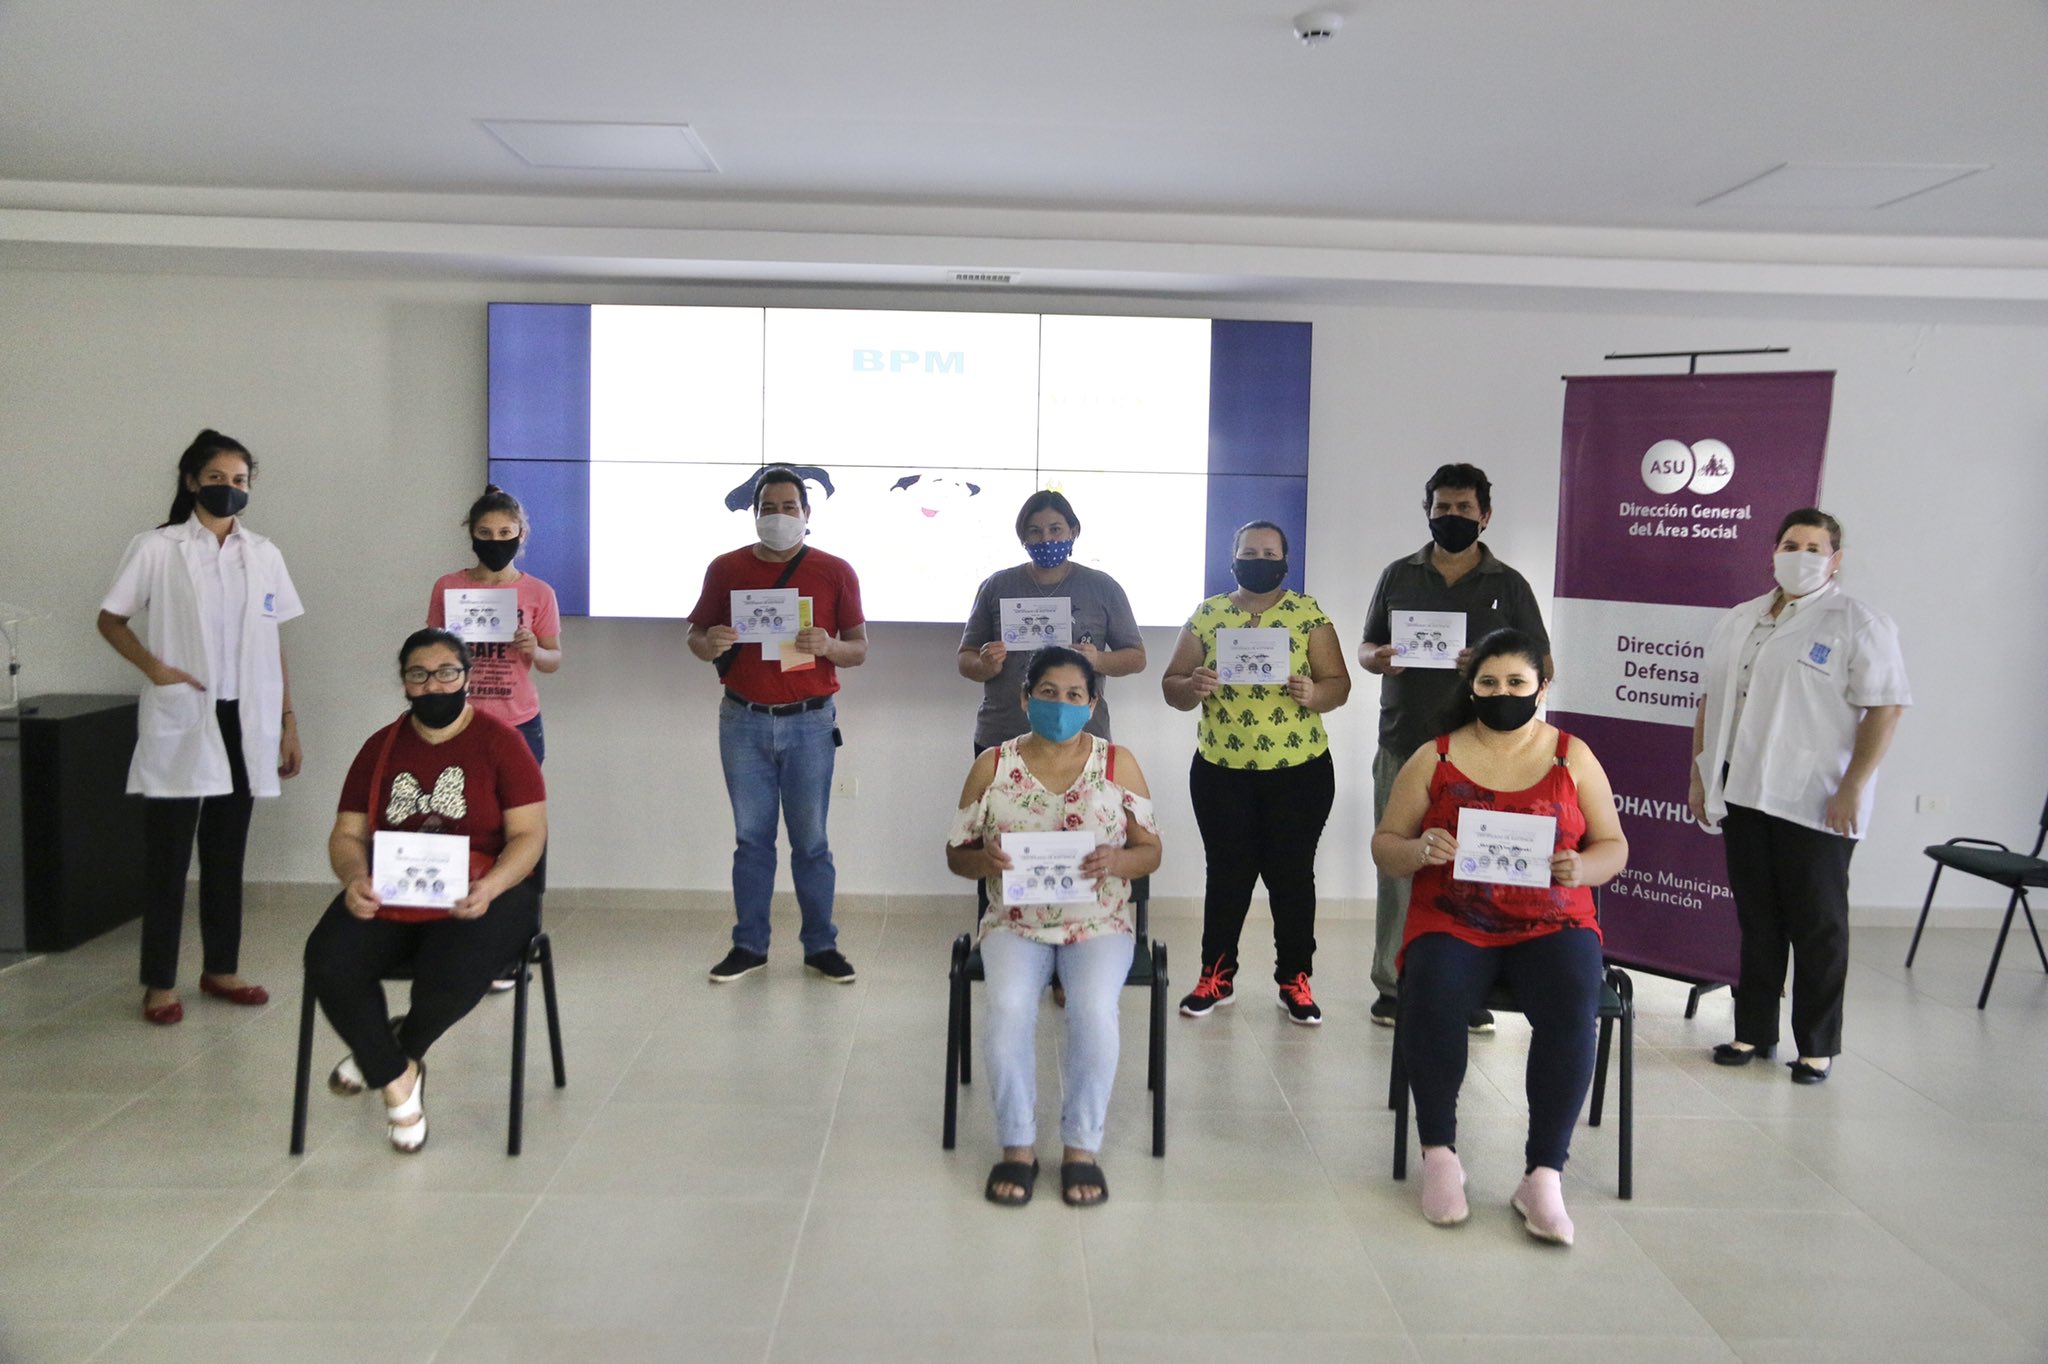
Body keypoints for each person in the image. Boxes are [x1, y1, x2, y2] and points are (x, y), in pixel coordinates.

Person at [1371, 628, 1627, 1244]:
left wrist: (1583, 867)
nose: (1502, 693)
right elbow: (1385, 845)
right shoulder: (1435, 756)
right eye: (1488, 683)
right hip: (1453, 919)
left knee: (1573, 997)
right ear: (1471, 687)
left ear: (1542, 686)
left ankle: (1543, 1174)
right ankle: (1440, 1155)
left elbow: (1613, 846)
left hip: (1553, 920)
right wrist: (1419, 849)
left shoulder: (1572, 756)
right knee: (1430, 989)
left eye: (1516, 682)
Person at [304, 629, 546, 1153]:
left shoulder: (502, 742)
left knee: (454, 968)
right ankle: (398, 1077)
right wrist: (354, 878)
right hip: (392, 892)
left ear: (467, 677)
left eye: (446, 673)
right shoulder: (381, 747)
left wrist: (492, 886)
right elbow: (347, 835)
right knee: (329, 957)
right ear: (404, 683)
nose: (433, 685)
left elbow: (529, 836)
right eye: (419, 675)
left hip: (485, 891)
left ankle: (395, 1049)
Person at [1690, 508, 1909, 1085]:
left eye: (1815, 548)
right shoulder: (1741, 618)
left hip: (1815, 799)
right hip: (1741, 791)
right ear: (1774, 552)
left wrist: (1852, 786)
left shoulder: (1859, 622)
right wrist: (1700, 775)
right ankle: (1752, 1031)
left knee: (1818, 926)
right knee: (1758, 919)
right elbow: (1711, 701)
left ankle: (1816, 1045)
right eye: (1792, 545)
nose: (1802, 556)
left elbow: (1886, 707)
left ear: (1836, 560)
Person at [97, 429, 304, 1025]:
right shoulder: (157, 547)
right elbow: (110, 620)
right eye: (217, 478)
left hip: (247, 718)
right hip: (185, 712)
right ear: (192, 482)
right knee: (167, 856)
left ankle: (221, 968)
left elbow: (272, 641)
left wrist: (288, 720)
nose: (229, 488)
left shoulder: (263, 554)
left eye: (239, 481)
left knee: (225, 853)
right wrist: (156, 669)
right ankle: (159, 982)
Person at [946, 647, 1162, 1207]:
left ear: (1091, 705)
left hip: (1099, 921)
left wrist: (1119, 860)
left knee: (1093, 1009)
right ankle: (1017, 1145)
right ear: (1025, 698)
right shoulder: (992, 765)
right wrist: (984, 860)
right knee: (1009, 1007)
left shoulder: (1118, 764)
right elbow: (956, 856)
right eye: (1047, 693)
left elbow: (1151, 851)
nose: (1060, 705)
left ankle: (1081, 1147)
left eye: (1073, 696)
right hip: (1014, 923)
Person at [1358, 463, 1551, 1031]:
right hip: (1403, 742)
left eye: (1464, 508)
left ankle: (1467, 988)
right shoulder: (1398, 574)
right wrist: (1379, 658)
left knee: (1472, 867)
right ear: (1428, 512)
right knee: (1398, 865)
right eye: (1442, 507)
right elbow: (1366, 647)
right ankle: (1393, 984)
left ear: (1484, 516)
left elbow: (1543, 665)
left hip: (1482, 752)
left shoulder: (1509, 584)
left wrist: (1488, 662)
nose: (1452, 516)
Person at [1161, 520, 1350, 1024]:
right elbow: (1172, 686)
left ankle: (1295, 978)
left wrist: (1315, 693)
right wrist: (1192, 685)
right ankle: (1216, 975)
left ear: (1285, 560)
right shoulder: (1208, 614)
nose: (1259, 561)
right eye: (1249, 552)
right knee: (1227, 874)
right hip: (1221, 771)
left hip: (1300, 771)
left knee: (1292, 877)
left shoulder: (1308, 614)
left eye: (1269, 553)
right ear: (1233, 559)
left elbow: (1339, 685)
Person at [687, 466, 868, 984]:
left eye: (790, 507)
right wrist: (709, 644)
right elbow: (695, 637)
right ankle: (749, 946)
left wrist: (828, 646)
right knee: (751, 840)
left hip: (810, 722)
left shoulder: (835, 570)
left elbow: (859, 649)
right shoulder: (726, 568)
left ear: (807, 514)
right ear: (754, 513)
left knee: (811, 841)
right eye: (768, 507)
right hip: (741, 720)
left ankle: (821, 946)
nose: (779, 516)